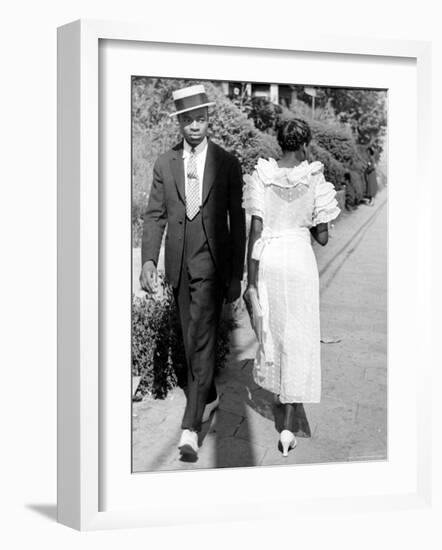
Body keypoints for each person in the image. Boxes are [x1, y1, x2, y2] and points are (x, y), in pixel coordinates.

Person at [139, 84, 246, 458]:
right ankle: (211, 394)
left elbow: (237, 221)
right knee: (190, 338)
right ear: (179, 123)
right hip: (179, 265)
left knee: (200, 335)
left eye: (200, 119)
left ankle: (190, 427)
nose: (195, 127)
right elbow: (153, 215)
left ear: (208, 120)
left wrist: (236, 275)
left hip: (213, 266)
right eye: (188, 120)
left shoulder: (227, 163)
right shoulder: (164, 164)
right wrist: (148, 260)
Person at [243, 118, 340, 456]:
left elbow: (255, 228)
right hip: (299, 260)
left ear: (278, 142)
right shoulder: (314, 177)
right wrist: (310, 222)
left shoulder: (262, 175)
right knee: (299, 335)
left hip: (269, 258)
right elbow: (323, 237)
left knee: (274, 332)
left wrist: (250, 280)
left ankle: (280, 394)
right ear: (304, 143)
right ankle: (287, 425)